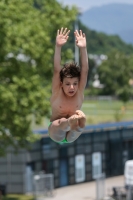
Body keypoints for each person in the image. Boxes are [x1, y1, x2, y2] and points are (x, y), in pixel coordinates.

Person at [48, 27, 89, 144]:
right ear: (61, 84)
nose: (72, 87)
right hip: (56, 130)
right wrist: (58, 46)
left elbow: (85, 70)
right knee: (61, 122)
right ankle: (69, 123)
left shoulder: (79, 90)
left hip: (72, 132)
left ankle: (79, 124)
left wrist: (83, 48)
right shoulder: (57, 90)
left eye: (75, 84)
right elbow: (57, 69)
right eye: (68, 84)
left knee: (77, 129)